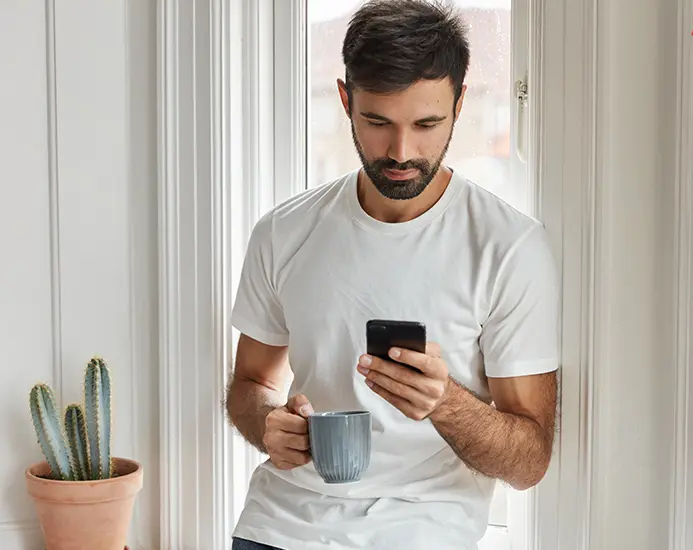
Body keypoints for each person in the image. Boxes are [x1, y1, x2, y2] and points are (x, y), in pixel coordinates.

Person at [224, 1, 560, 549]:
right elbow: (251, 385)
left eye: (427, 123)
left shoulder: (508, 247)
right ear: (345, 100)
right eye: (378, 122)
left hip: (419, 531)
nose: (402, 152)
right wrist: (267, 423)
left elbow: (529, 462)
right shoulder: (283, 233)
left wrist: (446, 402)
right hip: (276, 527)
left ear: (459, 103)